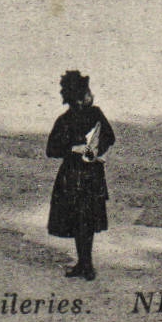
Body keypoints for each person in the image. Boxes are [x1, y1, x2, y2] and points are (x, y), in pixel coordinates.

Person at [46, 71, 115, 280]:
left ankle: (86, 264)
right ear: (78, 97)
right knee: (82, 221)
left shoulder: (91, 115)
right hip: (77, 177)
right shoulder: (68, 120)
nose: (91, 96)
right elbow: (51, 149)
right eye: (87, 92)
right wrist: (73, 148)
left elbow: (109, 137)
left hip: (83, 176)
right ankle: (85, 264)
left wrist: (95, 150)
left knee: (84, 221)